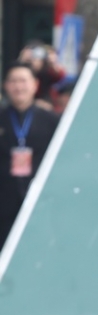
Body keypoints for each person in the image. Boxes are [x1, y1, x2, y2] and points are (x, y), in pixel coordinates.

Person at [0, 64, 59, 248]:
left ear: (34, 85)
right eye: (13, 81)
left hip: (41, 200)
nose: (18, 87)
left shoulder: (51, 120)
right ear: (5, 86)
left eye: (23, 81)